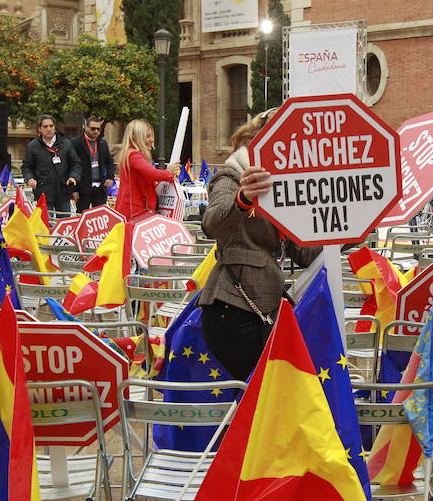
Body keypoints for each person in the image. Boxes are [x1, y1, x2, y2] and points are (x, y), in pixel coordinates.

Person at [199, 109, 321, 381]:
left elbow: (302, 252)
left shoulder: (285, 186)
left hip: (266, 309)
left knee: (261, 400)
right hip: (231, 309)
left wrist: (350, 234)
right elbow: (212, 223)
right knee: (261, 395)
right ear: (260, 140)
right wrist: (243, 199)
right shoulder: (232, 175)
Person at [114, 119, 181, 220]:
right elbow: (152, 174)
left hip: (134, 211)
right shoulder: (133, 155)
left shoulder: (130, 154)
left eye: (152, 136)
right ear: (135, 137)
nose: (152, 140)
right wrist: (169, 173)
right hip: (135, 212)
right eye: (147, 136)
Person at [22, 114, 81, 214]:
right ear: (39, 129)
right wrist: (30, 179)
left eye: (51, 126)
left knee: (63, 224)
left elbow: (76, 164)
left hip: (63, 192)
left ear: (55, 127)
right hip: (43, 193)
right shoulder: (33, 146)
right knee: (45, 225)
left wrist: (73, 177)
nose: (49, 129)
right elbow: (27, 167)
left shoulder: (66, 144)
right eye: (45, 126)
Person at [71, 116, 116, 211]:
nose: (96, 131)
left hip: (100, 188)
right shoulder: (75, 143)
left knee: (100, 215)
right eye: (93, 129)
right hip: (83, 188)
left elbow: (109, 162)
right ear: (86, 127)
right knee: (82, 216)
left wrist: (110, 177)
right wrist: (73, 190)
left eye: (98, 129)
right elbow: (71, 166)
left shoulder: (102, 143)